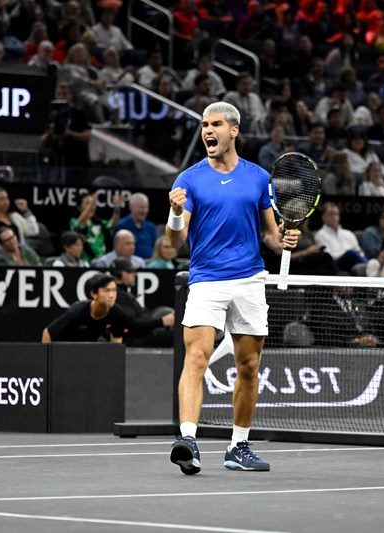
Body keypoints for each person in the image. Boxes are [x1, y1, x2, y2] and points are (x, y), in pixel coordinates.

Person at [167, 101, 299, 475]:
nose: (208, 131)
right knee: (196, 358)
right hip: (207, 280)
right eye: (205, 125)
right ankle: (188, 441)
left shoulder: (258, 178)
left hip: (250, 280)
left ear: (234, 131)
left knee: (249, 366)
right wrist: (176, 213)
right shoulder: (188, 180)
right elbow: (173, 243)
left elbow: (270, 235)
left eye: (216, 124)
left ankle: (238, 446)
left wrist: (283, 241)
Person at [41, 273, 127, 343]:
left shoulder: (118, 314)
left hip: (86, 351)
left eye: (114, 290)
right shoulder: (76, 312)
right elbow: (48, 333)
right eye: (106, 291)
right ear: (94, 294)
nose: (112, 295)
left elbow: (116, 339)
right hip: (63, 348)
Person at [110, 257, 175, 347]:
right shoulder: (118, 296)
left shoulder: (125, 294)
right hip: (132, 339)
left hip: (142, 333)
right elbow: (133, 326)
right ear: (118, 274)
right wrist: (161, 322)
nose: (134, 274)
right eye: (130, 272)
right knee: (175, 335)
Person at [314, 202, 367, 272]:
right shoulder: (320, 235)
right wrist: (346, 252)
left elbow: (360, 252)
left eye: (336, 214)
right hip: (335, 264)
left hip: (353, 262)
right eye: (331, 214)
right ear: (323, 217)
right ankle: (371, 267)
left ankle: (371, 267)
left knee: (354, 257)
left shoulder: (348, 233)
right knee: (350, 253)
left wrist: (353, 253)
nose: (334, 217)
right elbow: (328, 256)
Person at [69, 192, 122, 262]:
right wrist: (92, 203)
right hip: (84, 261)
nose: (92, 207)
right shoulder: (74, 221)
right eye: (87, 204)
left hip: (101, 261)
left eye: (94, 204)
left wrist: (117, 209)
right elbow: (81, 222)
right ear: (79, 208)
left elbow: (113, 223)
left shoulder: (99, 223)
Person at [114, 193, 157, 260]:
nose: (144, 211)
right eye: (141, 207)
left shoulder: (151, 227)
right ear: (131, 206)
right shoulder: (122, 226)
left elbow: (155, 248)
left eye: (146, 208)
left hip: (149, 265)